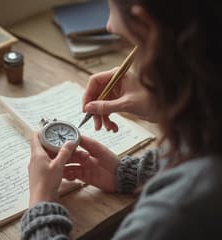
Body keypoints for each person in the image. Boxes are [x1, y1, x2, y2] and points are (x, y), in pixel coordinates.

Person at [20, 0, 222, 239]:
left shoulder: (170, 216)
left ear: (147, 26)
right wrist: (131, 173)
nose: (108, 25)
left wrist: (40, 203)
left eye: (110, 7)